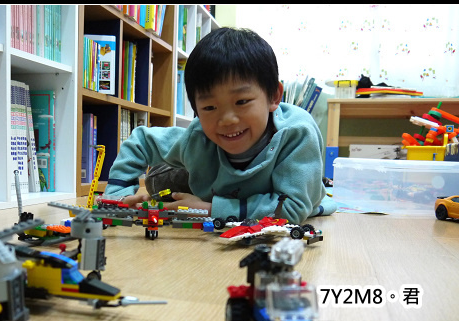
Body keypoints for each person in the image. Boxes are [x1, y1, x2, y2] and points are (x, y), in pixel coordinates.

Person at [104, 27, 336, 225]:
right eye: (209, 107)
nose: (227, 120)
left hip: (270, 187)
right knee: (157, 183)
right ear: (195, 110)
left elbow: (291, 210)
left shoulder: (296, 133)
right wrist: (117, 196)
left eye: (242, 102)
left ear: (274, 96)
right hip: (204, 176)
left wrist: (208, 209)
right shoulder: (198, 136)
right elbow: (141, 140)